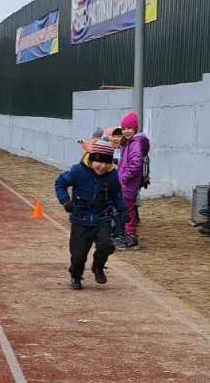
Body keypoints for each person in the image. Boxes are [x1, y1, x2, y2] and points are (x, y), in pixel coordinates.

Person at [55, 140, 127, 290]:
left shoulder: (112, 175)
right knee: (78, 254)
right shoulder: (77, 171)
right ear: (92, 158)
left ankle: (98, 266)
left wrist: (123, 211)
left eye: (107, 162)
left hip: (102, 217)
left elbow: (117, 195)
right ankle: (76, 275)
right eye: (99, 162)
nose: (103, 166)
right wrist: (66, 201)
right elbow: (60, 184)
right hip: (80, 218)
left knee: (106, 245)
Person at [116, 112, 150, 250]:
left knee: (128, 209)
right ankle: (125, 234)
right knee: (126, 208)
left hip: (128, 184)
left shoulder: (136, 143)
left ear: (135, 128)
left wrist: (123, 178)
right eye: (124, 128)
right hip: (125, 183)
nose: (126, 131)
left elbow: (136, 165)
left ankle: (130, 236)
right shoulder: (128, 143)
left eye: (130, 128)